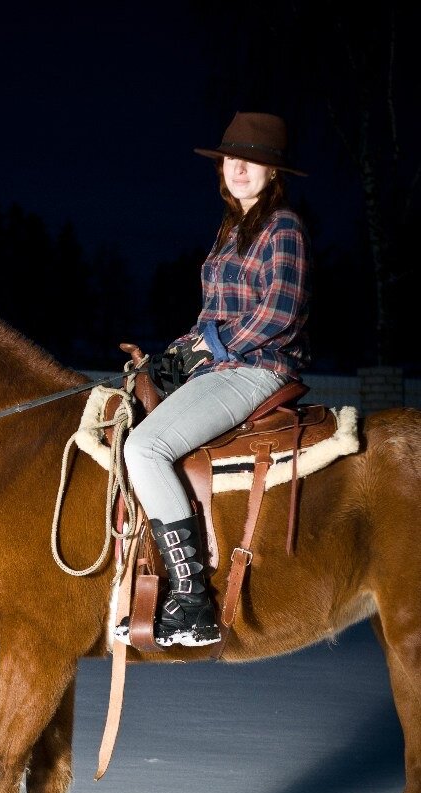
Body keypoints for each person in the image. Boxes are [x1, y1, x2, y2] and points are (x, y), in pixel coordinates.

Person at [116, 111, 311, 649]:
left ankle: (192, 601)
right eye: (231, 159)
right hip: (225, 365)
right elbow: (210, 323)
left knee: (147, 448)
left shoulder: (283, 227)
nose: (238, 168)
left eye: (252, 161)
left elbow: (280, 313)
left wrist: (214, 348)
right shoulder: (230, 232)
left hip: (260, 369)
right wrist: (173, 355)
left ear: (274, 173)